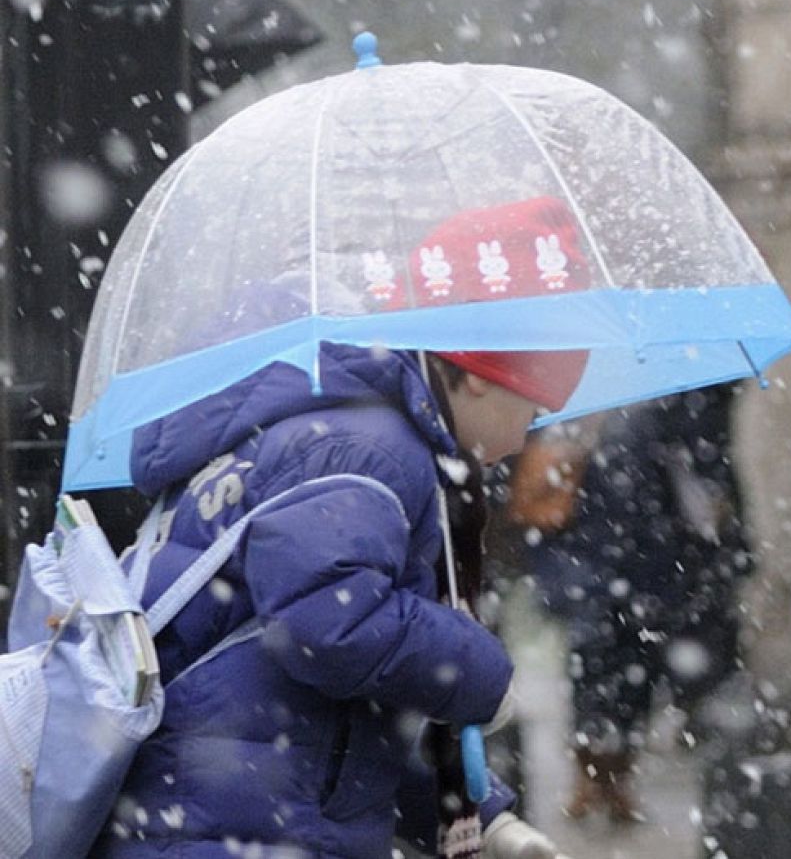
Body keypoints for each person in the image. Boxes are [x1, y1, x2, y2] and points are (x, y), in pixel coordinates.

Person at [92, 342, 571, 859]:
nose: (525, 437)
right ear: (478, 377)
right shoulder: (369, 448)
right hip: (236, 825)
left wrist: (480, 815)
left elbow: (347, 721)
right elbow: (331, 628)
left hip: (221, 811)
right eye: (534, 410)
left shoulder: (330, 433)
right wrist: (477, 672)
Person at [528, 383, 752, 825]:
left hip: (645, 558)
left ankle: (613, 776)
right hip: (601, 554)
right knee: (596, 662)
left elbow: (706, 478)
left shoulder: (682, 401)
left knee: (632, 667)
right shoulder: (586, 394)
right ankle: (593, 775)